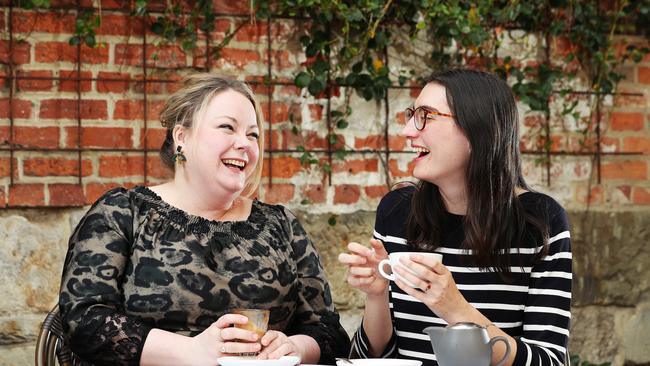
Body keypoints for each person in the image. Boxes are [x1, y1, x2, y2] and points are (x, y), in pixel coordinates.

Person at [59, 74, 351, 365]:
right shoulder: (123, 212)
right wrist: (191, 352)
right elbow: (83, 319)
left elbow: (329, 332)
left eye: (253, 134)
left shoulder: (280, 225)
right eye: (227, 127)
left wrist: (294, 347)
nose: (244, 144)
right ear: (181, 137)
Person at [339, 69, 571, 366]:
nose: (408, 130)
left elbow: (549, 361)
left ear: (478, 129)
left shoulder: (541, 221)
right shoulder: (397, 212)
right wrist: (376, 296)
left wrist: (454, 309)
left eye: (426, 115)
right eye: (412, 115)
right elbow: (370, 358)